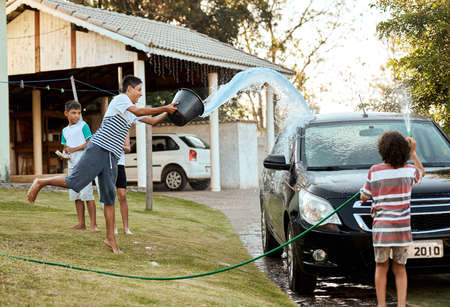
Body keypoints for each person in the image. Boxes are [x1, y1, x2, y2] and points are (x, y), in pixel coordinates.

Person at [27, 75, 178, 254]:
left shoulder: (130, 112)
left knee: (109, 197)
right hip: (98, 149)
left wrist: (168, 111)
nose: (140, 93)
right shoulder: (120, 99)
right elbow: (139, 112)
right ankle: (40, 182)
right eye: (138, 90)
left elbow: (151, 121)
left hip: (112, 157)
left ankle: (110, 239)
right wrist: (165, 107)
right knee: (75, 182)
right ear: (129, 89)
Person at [360, 131, 425, 307]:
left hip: (382, 230)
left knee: (381, 267)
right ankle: (401, 305)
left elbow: (364, 196)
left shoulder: (375, 171)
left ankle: (381, 305)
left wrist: (363, 194)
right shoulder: (409, 171)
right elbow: (421, 172)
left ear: (382, 150)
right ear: (403, 150)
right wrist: (413, 153)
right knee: (400, 268)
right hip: (402, 229)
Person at [60, 100, 98, 232]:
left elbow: (89, 143)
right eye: (73, 113)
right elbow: (65, 146)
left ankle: (94, 225)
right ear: (66, 113)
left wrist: (74, 149)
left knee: (87, 195)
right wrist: (64, 153)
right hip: (72, 165)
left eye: (78, 113)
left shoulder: (83, 126)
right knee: (76, 195)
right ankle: (81, 223)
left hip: (84, 165)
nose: (76, 115)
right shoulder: (64, 130)